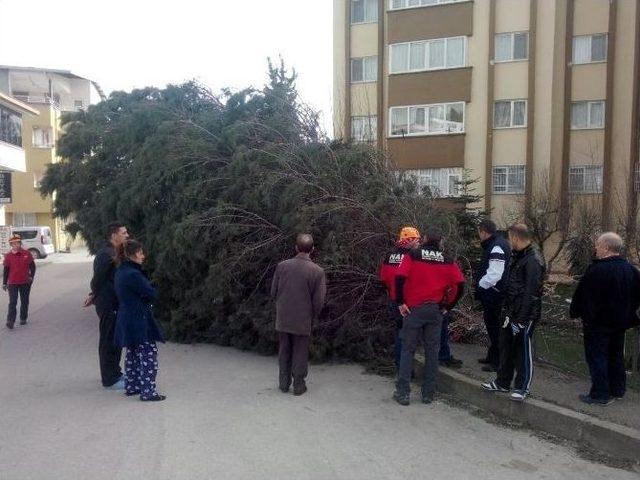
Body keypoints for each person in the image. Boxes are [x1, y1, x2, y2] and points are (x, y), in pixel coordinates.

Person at [393, 227, 466, 406]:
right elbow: (460, 285)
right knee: (432, 351)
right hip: (435, 311)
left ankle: (403, 393)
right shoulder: (447, 260)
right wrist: (447, 305)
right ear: (440, 242)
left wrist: (401, 302)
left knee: (407, 349)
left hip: (413, 310)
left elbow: (399, 278)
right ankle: (428, 394)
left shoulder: (414, 255)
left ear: (424, 239)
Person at [570, 232, 640, 405]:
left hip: (598, 323)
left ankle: (600, 394)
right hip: (620, 323)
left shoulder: (597, 270)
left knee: (597, 357)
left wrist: (579, 314)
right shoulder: (630, 269)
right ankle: (617, 389)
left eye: (598, 245)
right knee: (616, 355)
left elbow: (584, 297)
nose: (596, 248)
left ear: (606, 248)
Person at [482, 224, 545, 402]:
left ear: (516, 238)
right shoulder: (518, 257)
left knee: (522, 351)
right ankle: (502, 381)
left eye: (509, 238)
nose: (508, 242)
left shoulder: (533, 260)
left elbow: (531, 293)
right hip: (510, 311)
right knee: (506, 347)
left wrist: (522, 319)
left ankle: (522, 387)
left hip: (524, 315)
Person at [271, 234, 326, 396]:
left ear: (296, 248)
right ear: (313, 249)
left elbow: (273, 291)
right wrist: (313, 315)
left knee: (284, 349)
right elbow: (319, 301)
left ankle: (283, 383)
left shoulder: (281, 266)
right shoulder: (317, 271)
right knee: (300, 352)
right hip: (303, 318)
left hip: (283, 316)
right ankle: (299, 385)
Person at [114, 239, 166, 402]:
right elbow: (151, 294)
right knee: (148, 353)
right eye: (141, 253)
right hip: (139, 318)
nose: (143, 256)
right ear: (133, 254)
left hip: (127, 317)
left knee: (133, 353)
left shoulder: (121, 271)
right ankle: (148, 391)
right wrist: (151, 290)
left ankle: (132, 386)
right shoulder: (134, 274)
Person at [85, 222, 129, 389]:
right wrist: (94, 295)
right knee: (108, 339)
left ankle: (115, 373)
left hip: (116, 302)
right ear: (114, 235)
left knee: (115, 339)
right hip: (108, 303)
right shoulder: (105, 254)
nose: (127, 235)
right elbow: (97, 280)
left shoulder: (116, 252)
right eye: (123, 232)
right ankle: (109, 379)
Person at [379, 227, 421, 369]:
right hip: (408, 302)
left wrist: (391, 292)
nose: (418, 243)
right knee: (408, 335)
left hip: (394, 299)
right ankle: (405, 367)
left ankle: (399, 364)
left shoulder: (389, 256)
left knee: (400, 332)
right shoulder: (413, 258)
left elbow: (383, 279)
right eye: (416, 240)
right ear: (409, 241)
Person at [475, 219, 511, 372]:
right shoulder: (497, 243)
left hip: (494, 294)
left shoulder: (496, 246)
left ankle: (497, 361)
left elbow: (495, 274)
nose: (479, 236)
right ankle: (492, 355)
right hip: (494, 294)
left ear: (483, 231)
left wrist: (480, 285)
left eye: (479, 233)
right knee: (492, 326)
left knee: (495, 327)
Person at [3, 234, 36, 329]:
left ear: (20, 243)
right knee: (13, 302)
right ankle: (10, 320)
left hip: (25, 282)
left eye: (17, 243)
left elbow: (32, 266)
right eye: (13, 244)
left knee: (24, 301)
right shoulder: (8, 256)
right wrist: (4, 283)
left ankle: (23, 318)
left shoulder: (26, 253)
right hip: (12, 282)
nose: (15, 245)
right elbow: (6, 270)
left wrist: (31, 277)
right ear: (11, 245)